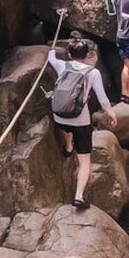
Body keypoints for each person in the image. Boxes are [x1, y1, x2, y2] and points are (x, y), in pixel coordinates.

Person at [48, 32, 118, 210]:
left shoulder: (61, 65)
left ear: (70, 54)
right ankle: (78, 196)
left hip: (59, 116)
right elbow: (102, 99)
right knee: (85, 160)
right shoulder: (92, 72)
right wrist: (111, 114)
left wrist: (54, 45)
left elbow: (50, 55)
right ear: (87, 56)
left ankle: (68, 146)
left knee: (66, 127)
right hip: (80, 121)